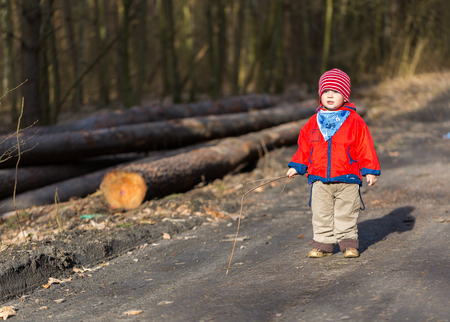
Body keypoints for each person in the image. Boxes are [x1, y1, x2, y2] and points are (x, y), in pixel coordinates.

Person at [286, 68, 380, 258]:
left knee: (346, 212)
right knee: (321, 214)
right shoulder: (313, 122)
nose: (330, 95)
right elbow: (305, 147)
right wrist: (297, 165)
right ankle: (323, 245)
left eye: (336, 91)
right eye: (325, 91)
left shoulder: (354, 121)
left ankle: (348, 244)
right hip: (319, 178)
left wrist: (370, 170)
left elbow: (365, 146)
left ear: (345, 96)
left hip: (348, 177)